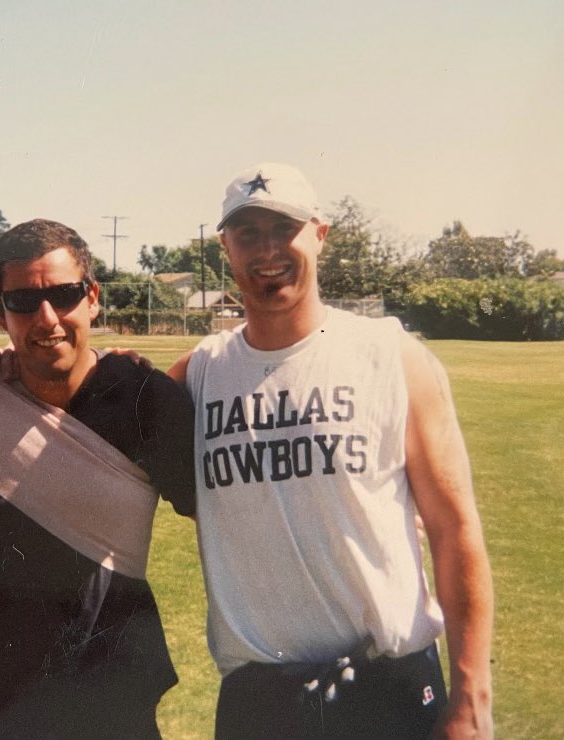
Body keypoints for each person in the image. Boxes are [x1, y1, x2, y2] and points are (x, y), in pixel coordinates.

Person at [168, 162, 494, 739]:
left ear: (319, 235)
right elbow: (96, 419)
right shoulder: (199, 375)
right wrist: (7, 368)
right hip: (258, 705)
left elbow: (453, 527)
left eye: (283, 229)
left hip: (386, 695)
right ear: (226, 247)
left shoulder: (391, 357)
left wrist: (471, 699)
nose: (267, 249)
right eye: (247, 233)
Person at [0, 219, 196, 738]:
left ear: (92, 297)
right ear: (0, 312)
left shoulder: (145, 400)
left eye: (63, 294)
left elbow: (233, 515)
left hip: (110, 699)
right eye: (23, 301)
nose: (47, 319)